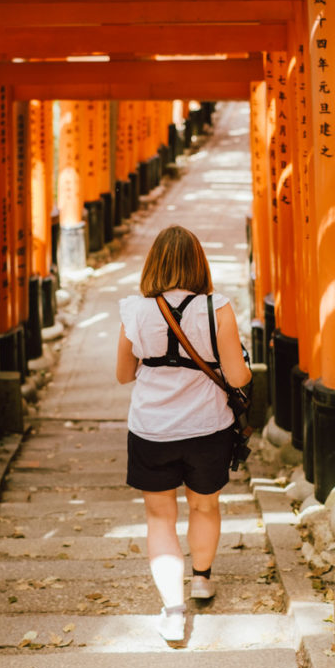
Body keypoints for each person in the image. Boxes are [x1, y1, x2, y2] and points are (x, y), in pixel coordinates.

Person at [116, 225, 252, 643]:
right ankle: (202, 579)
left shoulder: (134, 311)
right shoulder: (218, 308)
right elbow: (237, 375)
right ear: (199, 263)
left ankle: (173, 611)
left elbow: (123, 375)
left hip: (152, 429)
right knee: (204, 508)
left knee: (160, 517)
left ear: (153, 263)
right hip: (207, 428)